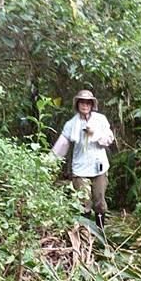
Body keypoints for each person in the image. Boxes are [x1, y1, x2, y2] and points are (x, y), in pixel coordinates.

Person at [52, 90, 114, 228]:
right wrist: (50, 161)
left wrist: (95, 134)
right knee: (83, 202)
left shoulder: (100, 120)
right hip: (80, 168)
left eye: (88, 102)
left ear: (92, 105)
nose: (85, 105)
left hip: (99, 166)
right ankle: (84, 235)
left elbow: (108, 139)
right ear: (77, 104)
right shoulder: (71, 124)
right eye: (82, 102)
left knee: (99, 201)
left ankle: (100, 232)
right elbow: (61, 145)